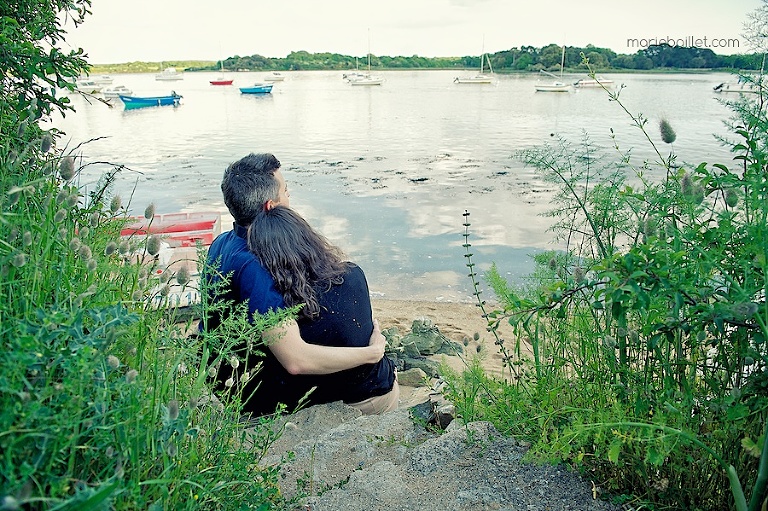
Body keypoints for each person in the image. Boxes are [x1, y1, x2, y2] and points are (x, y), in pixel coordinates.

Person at [203, 152, 392, 416]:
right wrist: (371, 353)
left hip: (225, 373)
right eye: (286, 191)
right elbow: (295, 359)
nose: (289, 196)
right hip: (252, 393)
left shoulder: (222, 243)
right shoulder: (257, 267)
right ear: (271, 206)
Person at [247, 205, 398, 414]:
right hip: (384, 391)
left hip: (340, 406)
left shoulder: (283, 305)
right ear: (309, 238)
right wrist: (371, 353)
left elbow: (296, 363)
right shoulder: (353, 273)